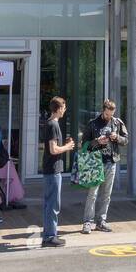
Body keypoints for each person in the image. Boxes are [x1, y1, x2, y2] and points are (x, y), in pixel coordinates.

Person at [82, 99, 128, 234]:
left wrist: (116, 137)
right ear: (103, 110)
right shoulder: (93, 124)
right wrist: (97, 141)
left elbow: (126, 140)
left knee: (106, 194)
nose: (109, 117)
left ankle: (101, 221)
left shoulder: (117, 122)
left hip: (110, 162)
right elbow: (84, 144)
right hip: (95, 162)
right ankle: (87, 222)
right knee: (92, 194)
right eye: (107, 114)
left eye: (111, 114)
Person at [41, 97, 76, 247]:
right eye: (64, 107)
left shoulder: (51, 124)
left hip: (51, 169)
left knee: (50, 203)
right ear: (59, 108)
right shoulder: (53, 125)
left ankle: (49, 234)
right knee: (53, 204)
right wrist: (68, 147)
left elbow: (53, 147)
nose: (65, 110)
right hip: (53, 169)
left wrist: (65, 144)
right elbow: (53, 149)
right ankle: (49, 236)